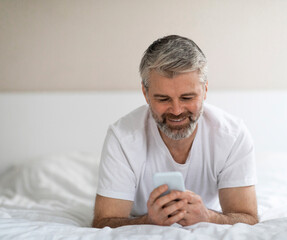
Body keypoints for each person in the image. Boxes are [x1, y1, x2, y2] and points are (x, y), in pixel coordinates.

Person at [92, 35, 258, 228]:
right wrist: (148, 220)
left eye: (187, 97)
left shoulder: (232, 136)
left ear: (205, 90)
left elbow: (248, 218)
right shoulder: (122, 137)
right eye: (163, 99)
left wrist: (208, 217)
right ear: (145, 94)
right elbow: (103, 222)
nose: (177, 110)